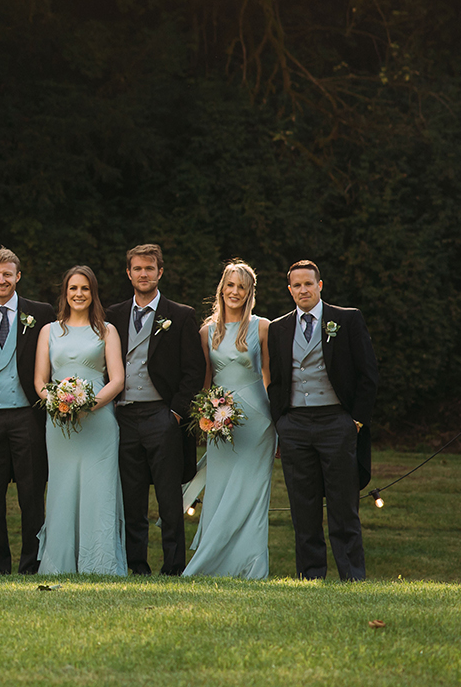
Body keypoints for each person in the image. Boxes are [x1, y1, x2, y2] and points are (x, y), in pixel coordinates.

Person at [266, 259, 379, 581]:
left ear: (320, 285)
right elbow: (275, 380)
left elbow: (367, 374)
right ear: (290, 290)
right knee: (304, 506)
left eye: (308, 283)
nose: (303, 289)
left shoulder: (347, 319)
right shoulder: (279, 327)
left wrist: (355, 421)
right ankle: (311, 575)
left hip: (336, 422)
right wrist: (281, 422)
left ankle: (352, 575)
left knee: (344, 505)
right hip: (295, 425)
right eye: (296, 285)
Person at [107, 243, 205, 575]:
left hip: (162, 416)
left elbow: (193, 370)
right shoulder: (113, 315)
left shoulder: (180, 315)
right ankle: (137, 566)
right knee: (131, 496)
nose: (143, 274)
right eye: (137, 268)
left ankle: (174, 567)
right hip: (124, 417)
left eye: (150, 268)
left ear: (160, 272)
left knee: (168, 497)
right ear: (129, 273)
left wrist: (175, 414)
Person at [0, 248, 57, 575]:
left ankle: (32, 565)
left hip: (27, 416)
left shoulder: (41, 313)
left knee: (32, 495)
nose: (1, 280)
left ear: (18, 276)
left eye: (7, 274)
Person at [183, 261, 275, 579]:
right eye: (230, 285)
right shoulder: (207, 331)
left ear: (250, 293)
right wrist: (207, 417)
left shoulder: (262, 327)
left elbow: (269, 378)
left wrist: (273, 421)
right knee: (221, 493)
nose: (234, 292)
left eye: (241, 287)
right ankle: (213, 563)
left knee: (252, 494)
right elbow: (206, 381)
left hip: (258, 424)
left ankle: (251, 565)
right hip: (220, 423)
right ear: (222, 289)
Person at [35, 265, 125, 575]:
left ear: (93, 293)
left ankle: (99, 563)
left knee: (99, 489)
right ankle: (60, 562)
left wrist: (88, 406)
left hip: (99, 423)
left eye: (85, 289)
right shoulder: (49, 331)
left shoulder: (107, 331)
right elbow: (40, 381)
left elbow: (117, 379)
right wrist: (59, 403)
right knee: (62, 488)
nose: (79, 294)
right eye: (73, 288)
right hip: (59, 425)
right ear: (65, 293)